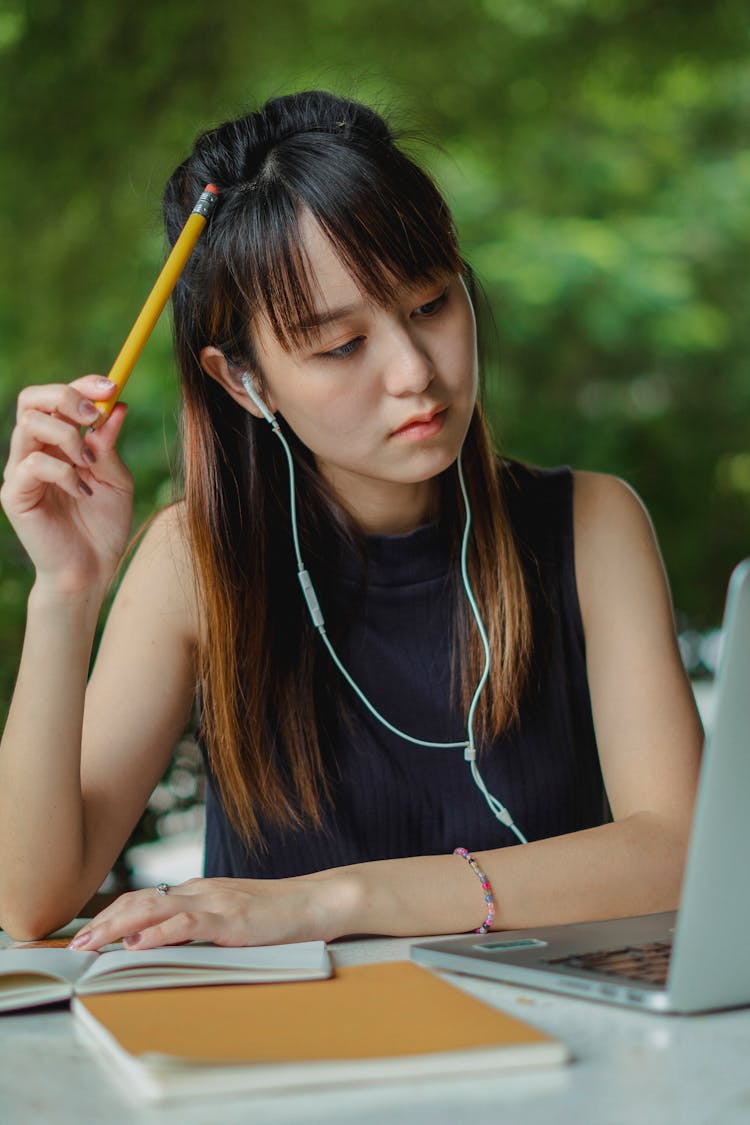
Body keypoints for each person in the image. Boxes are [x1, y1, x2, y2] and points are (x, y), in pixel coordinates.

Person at [0, 91, 702, 948]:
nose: (413, 371)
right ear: (242, 382)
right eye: (340, 345)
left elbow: (680, 853)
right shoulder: (195, 562)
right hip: (300, 1063)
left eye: (430, 304)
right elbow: (27, 901)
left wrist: (328, 901)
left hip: (565, 1051)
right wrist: (65, 592)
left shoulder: (592, 524)